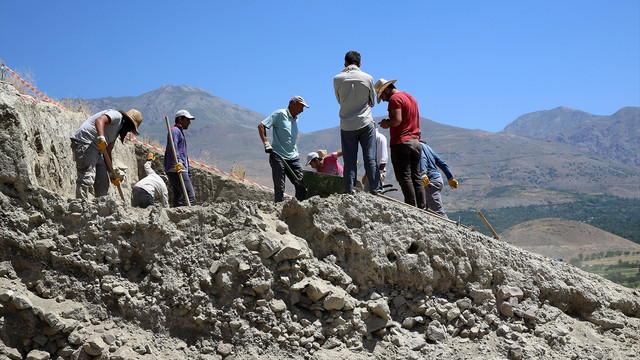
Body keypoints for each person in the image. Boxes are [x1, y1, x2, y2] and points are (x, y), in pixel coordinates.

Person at [333, 50, 381, 195]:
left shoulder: (337, 79)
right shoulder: (368, 78)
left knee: (350, 161)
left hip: (347, 125)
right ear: (360, 64)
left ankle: (349, 190)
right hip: (365, 122)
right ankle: (375, 190)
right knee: (370, 158)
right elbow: (372, 102)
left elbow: (339, 100)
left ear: (345, 62)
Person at [70, 108, 143, 200]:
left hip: (98, 150)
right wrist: (101, 137)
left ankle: (102, 206)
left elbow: (108, 152)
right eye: (131, 128)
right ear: (129, 122)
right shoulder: (116, 116)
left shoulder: (117, 132)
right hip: (86, 142)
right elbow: (100, 120)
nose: (129, 131)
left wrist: (111, 173)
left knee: (103, 180)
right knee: (87, 175)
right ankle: (80, 205)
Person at [376, 78, 426, 209]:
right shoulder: (411, 98)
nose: (384, 99)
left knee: (404, 177)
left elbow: (397, 120)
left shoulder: (395, 99)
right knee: (416, 177)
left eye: (382, 96)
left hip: (401, 142)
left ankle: (411, 207)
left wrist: (387, 123)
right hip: (415, 141)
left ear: (387, 89)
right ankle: (421, 206)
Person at [258, 96, 309, 202]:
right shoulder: (280, 114)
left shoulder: (296, 119)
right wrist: (266, 144)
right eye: (301, 107)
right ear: (293, 104)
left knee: (301, 184)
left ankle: (298, 209)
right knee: (280, 187)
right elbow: (261, 126)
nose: (302, 110)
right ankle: (278, 210)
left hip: (293, 157)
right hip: (278, 156)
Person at [164, 109, 196, 207]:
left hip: (176, 168)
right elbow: (174, 148)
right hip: (177, 168)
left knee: (180, 198)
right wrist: (178, 162)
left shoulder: (179, 132)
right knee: (190, 196)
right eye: (187, 120)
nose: (189, 122)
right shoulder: (175, 131)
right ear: (179, 119)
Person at [419, 139, 458, 218]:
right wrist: (450, 177)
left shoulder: (418, 146)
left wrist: (423, 173)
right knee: (428, 210)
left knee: (438, 212)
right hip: (437, 179)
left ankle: (449, 227)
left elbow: (422, 158)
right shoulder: (428, 148)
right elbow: (441, 163)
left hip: (430, 181)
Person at [363, 127, 389, 192]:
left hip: (378, 169)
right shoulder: (369, 138)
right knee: (367, 193)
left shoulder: (380, 138)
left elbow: (383, 158)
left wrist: (380, 172)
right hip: (370, 170)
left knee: (376, 192)